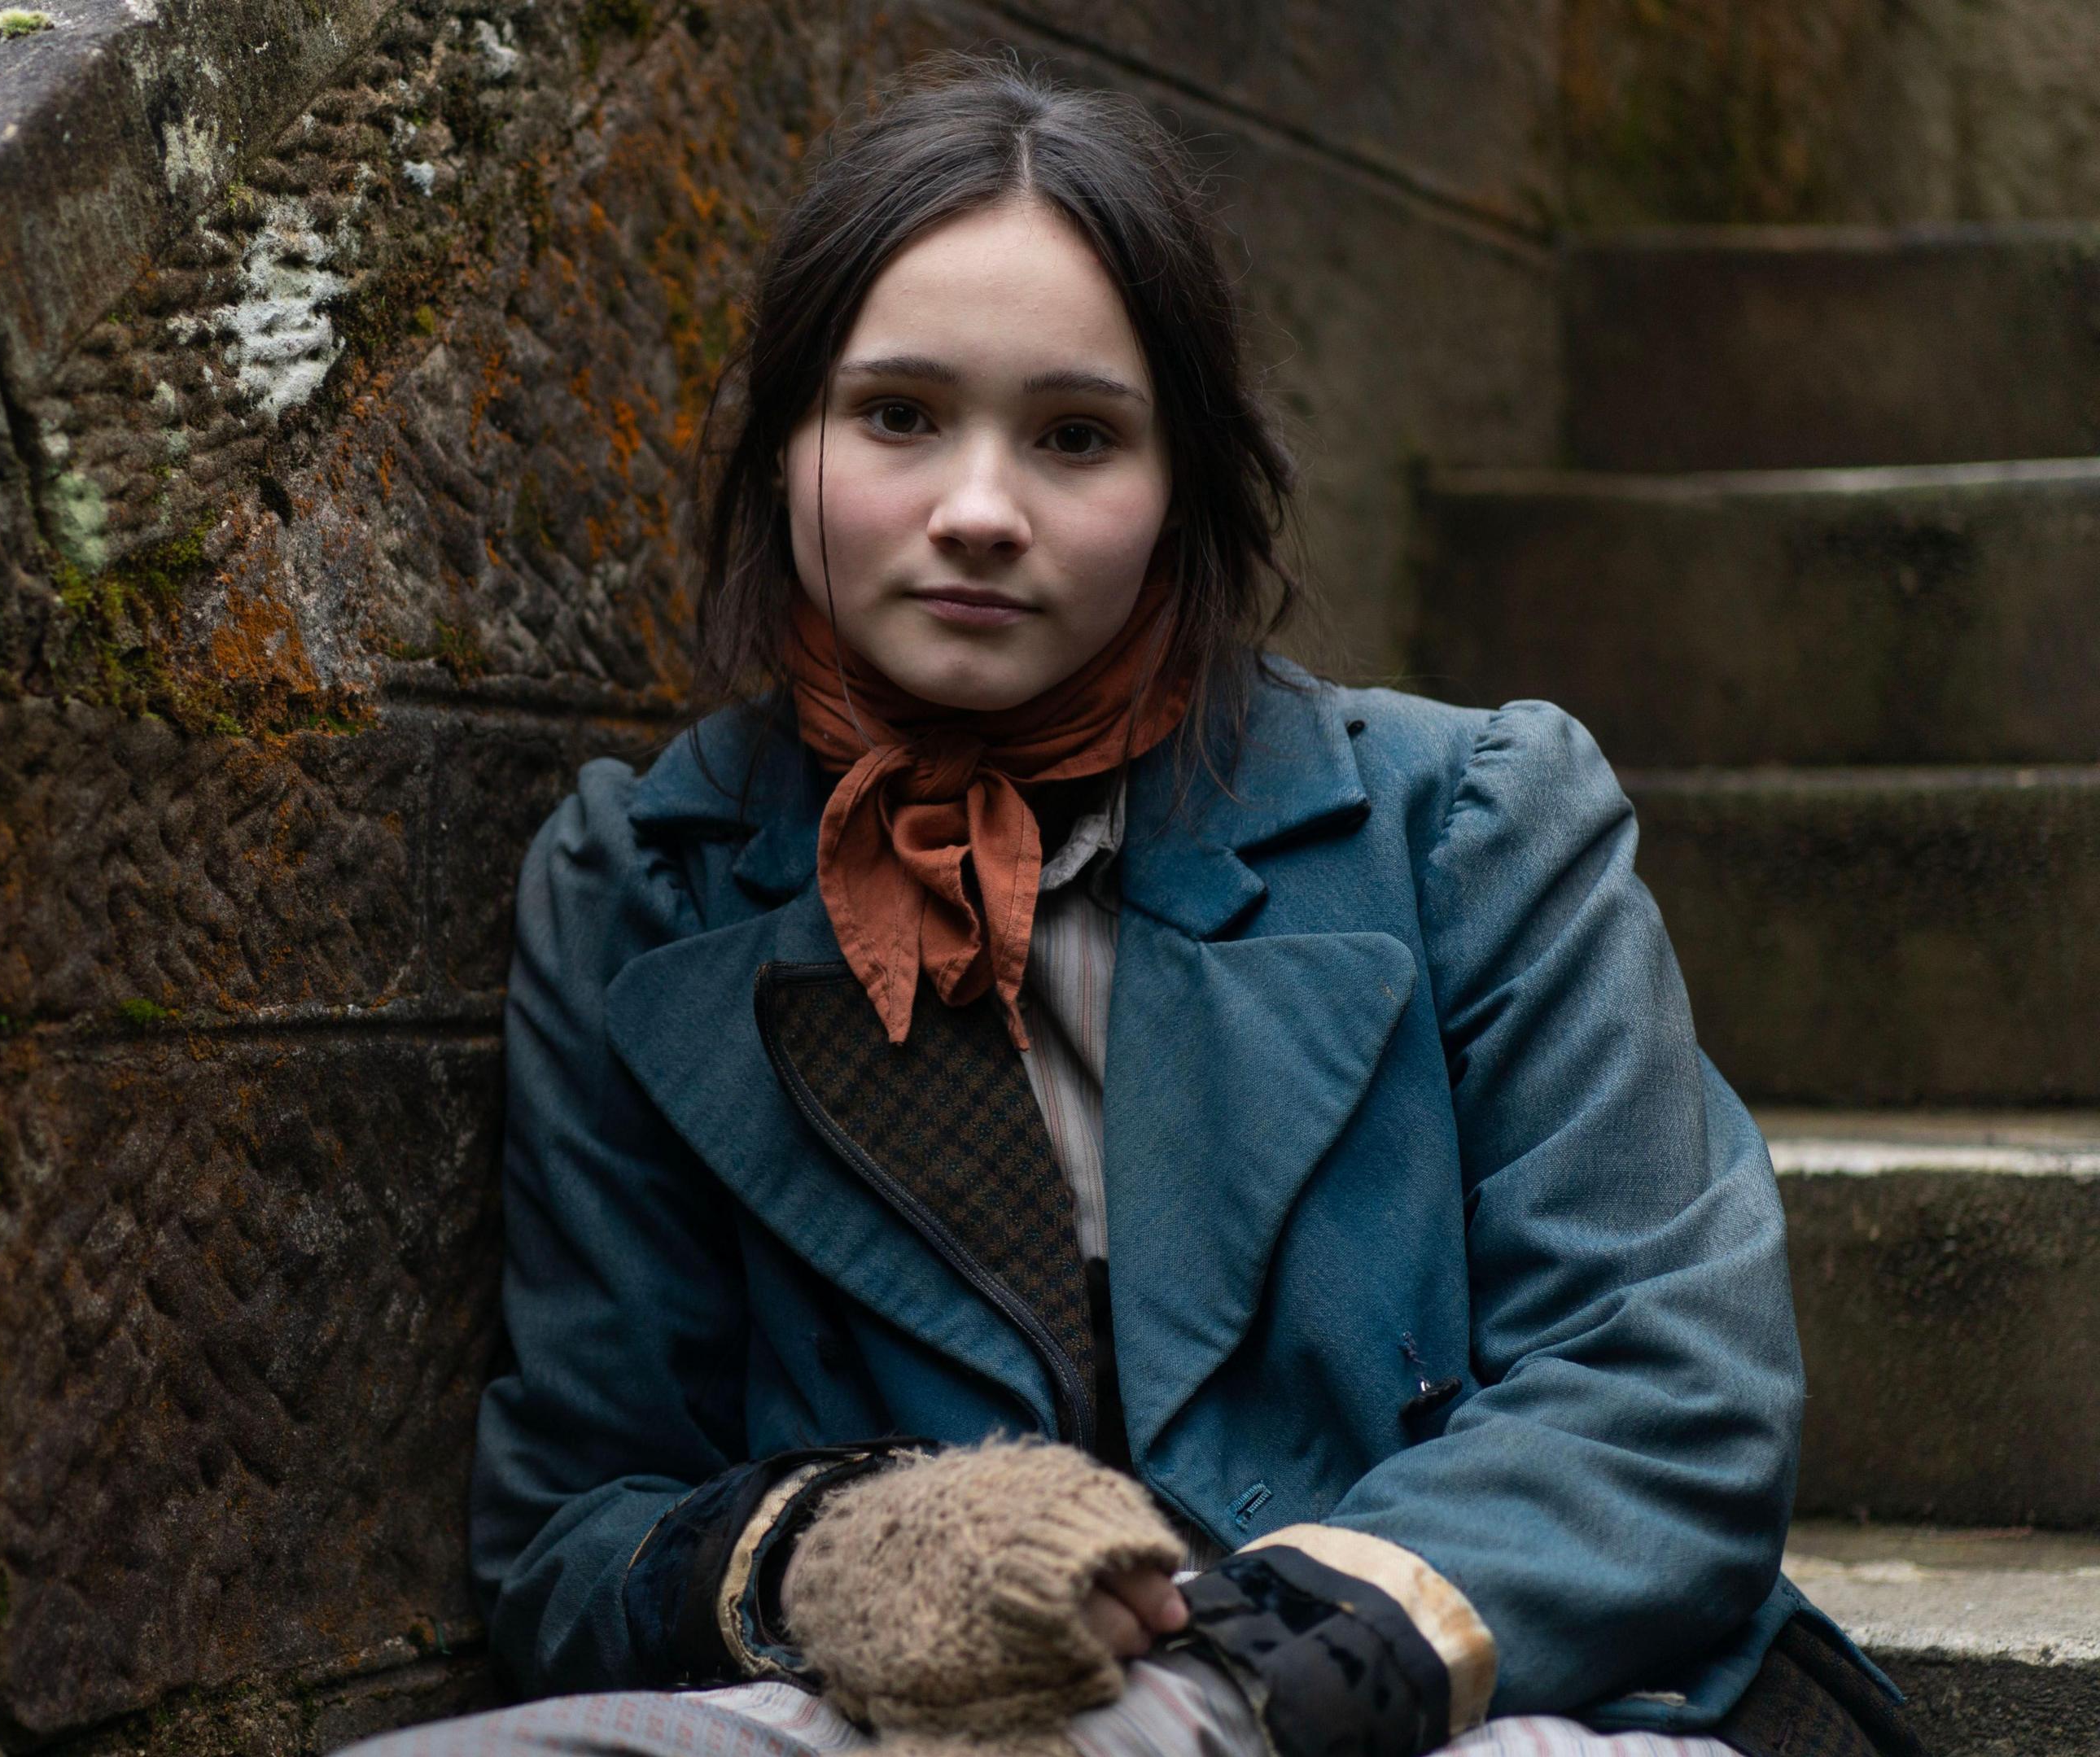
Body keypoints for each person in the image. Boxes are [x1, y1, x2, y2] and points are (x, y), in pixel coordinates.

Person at [347, 58, 1920, 1757]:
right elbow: (582, 1524)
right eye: (896, 416)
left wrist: (1225, 1682)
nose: (977, 510)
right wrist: (854, 1553)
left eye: (1077, 437)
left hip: (1482, 1701)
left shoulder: (1471, 824)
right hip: (921, 1719)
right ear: (785, 436)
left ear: (1182, 485)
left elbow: (1664, 1397)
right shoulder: (642, 891)